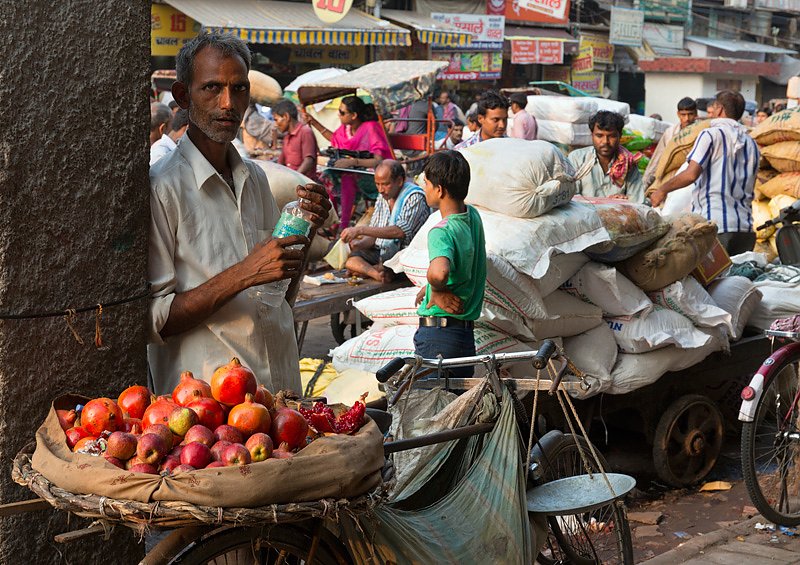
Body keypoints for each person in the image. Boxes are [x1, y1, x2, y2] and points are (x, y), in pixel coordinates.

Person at [148, 32, 331, 395]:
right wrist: (243, 274)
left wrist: (306, 229)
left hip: (279, 394)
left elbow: (278, 296)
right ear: (183, 96)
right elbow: (154, 321)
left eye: (239, 88)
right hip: (209, 411)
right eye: (212, 88)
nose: (229, 103)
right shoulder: (162, 187)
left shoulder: (256, 178)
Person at [650, 91, 759, 255]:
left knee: (712, 280)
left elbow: (691, 174)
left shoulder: (710, 135)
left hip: (715, 226)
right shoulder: (751, 143)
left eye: (713, 107)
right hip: (745, 228)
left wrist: (662, 190)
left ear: (720, 109)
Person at [414, 150, 485, 378]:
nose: (424, 188)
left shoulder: (441, 231)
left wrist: (436, 289)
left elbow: (440, 271)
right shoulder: (472, 217)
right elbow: (462, 264)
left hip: (438, 339)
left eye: (426, 183)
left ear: (439, 189)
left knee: (430, 408)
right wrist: (433, 288)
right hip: (464, 339)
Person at [304, 95, 393, 230]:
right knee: (327, 175)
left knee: (347, 179)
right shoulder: (345, 130)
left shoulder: (370, 128)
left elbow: (378, 160)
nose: (338, 115)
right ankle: (328, 219)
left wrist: (353, 162)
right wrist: (314, 122)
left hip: (374, 175)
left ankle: (342, 225)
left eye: (342, 112)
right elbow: (334, 139)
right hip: (353, 171)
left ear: (354, 115)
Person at [340, 160, 430, 282]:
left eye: (385, 184)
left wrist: (360, 230)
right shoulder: (383, 197)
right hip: (383, 252)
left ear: (399, 181)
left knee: (392, 264)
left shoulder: (414, 197)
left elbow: (399, 232)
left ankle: (376, 270)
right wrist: (357, 245)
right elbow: (374, 235)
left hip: (405, 254)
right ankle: (376, 273)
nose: (381, 189)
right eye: (377, 184)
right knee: (351, 260)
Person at [568, 111, 646, 204]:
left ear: (620, 136)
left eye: (612, 136)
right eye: (599, 136)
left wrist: (625, 201)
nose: (605, 141)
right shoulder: (577, 159)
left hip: (616, 216)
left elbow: (637, 201)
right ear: (592, 135)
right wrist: (606, 202)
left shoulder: (628, 163)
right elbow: (571, 198)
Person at [643, 97, 698, 187]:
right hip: (671, 178)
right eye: (683, 115)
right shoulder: (670, 133)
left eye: (690, 114)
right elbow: (658, 157)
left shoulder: (701, 132)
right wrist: (646, 182)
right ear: (678, 114)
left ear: (696, 114)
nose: (687, 118)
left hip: (692, 179)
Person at [273, 99, 318, 179]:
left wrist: (295, 179)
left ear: (286, 116)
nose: (275, 124)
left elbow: (308, 161)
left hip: (304, 184)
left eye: (276, 120)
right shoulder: (287, 137)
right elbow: (280, 162)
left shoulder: (305, 132)